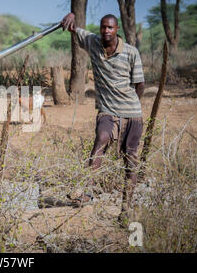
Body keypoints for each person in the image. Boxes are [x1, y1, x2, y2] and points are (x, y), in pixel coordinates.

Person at [60, 13, 145, 224]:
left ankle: (125, 209)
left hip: (132, 113)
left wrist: (130, 105)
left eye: (110, 28)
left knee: (130, 160)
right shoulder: (93, 43)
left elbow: (140, 85)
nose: (106, 31)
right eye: (103, 27)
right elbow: (73, 28)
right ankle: (87, 191)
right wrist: (71, 14)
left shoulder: (131, 52)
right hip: (107, 110)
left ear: (117, 30)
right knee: (101, 137)